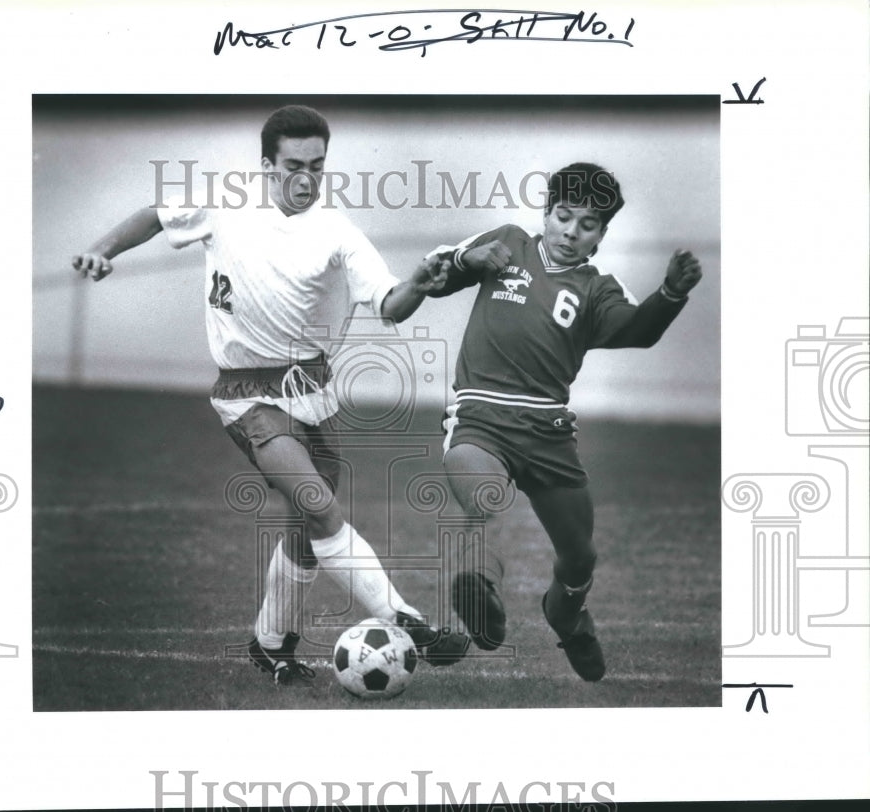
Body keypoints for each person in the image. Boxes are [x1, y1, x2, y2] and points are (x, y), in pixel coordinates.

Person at [72, 105, 468, 685]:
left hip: (313, 390)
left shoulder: (336, 231)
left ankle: (270, 643)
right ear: (267, 166)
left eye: (317, 165)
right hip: (246, 395)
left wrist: (419, 287)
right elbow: (155, 216)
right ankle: (406, 619)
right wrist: (104, 249)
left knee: (306, 532)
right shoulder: (226, 207)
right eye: (293, 166)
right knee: (317, 503)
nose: (306, 178)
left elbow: (388, 303)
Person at [425, 162, 703, 681]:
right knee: (480, 497)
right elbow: (437, 276)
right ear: (546, 213)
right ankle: (481, 592)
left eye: (588, 224)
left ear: (600, 237)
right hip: (480, 418)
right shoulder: (507, 244)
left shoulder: (596, 289)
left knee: (579, 557)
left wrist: (669, 295)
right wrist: (466, 256)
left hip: (549, 433)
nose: (572, 231)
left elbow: (637, 331)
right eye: (564, 215)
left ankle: (566, 616)